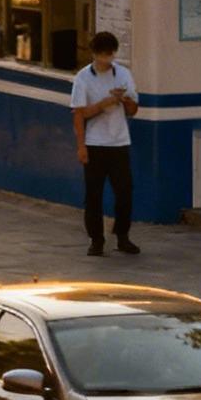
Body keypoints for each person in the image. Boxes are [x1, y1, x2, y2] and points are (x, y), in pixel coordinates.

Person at [70, 30, 140, 257]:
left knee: (125, 191)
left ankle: (122, 235)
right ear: (94, 54)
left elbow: (134, 110)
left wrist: (125, 101)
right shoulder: (83, 78)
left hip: (119, 142)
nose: (106, 59)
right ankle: (96, 239)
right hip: (95, 142)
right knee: (94, 194)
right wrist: (81, 146)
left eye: (110, 54)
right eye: (102, 55)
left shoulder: (123, 74)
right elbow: (80, 114)